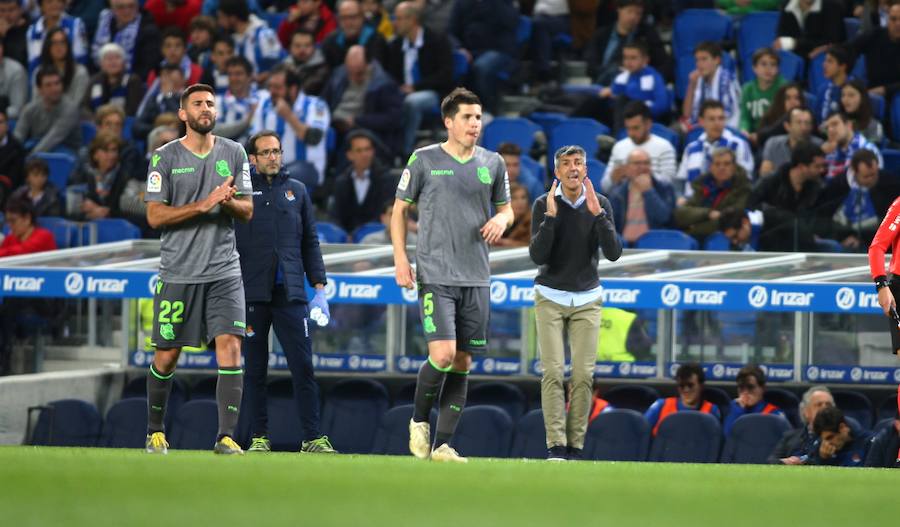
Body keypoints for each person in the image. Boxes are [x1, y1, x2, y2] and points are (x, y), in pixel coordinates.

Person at [393, 87, 513, 463]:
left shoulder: (492, 163)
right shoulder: (424, 160)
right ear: (449, 122)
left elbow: (507, 210)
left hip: (476, 275)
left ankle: (443, 445)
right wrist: (400, 258)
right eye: (467, 117)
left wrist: (500, 218)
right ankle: (417, 420)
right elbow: (398, 211)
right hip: (436, 273)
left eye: (478, 117)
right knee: (442, 354)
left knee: (462, 361)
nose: (475, 124)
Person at [142, 83, 254, 456]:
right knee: (167, 355)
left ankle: (226, 436)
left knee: (231, 348)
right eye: (197, 104)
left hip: (224, 270)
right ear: (183, 114)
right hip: (178, 272)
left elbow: (247, 209)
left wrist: (226, 202)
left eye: (210, 103)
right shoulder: (164, 158)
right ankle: (155, 431)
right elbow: (155, 215)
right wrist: (203, 204)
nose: (205, 109)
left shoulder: (234, 152)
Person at [234, 130, 335, 454]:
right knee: (254, 370)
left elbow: (310, 242)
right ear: (253, 158)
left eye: (276, 151)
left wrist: (319, 288)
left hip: (291, 293)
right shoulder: (239, 194)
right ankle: (259, 436)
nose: (273, 157)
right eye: (265, 152)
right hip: (252, 293)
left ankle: (313, 437)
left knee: (303, 366)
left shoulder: (298, 191)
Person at [529, 144, 621, 460]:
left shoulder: (601, 203)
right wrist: (550, 220)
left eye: (578, 163)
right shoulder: (543, 203)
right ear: (557, 172)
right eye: (566, 164)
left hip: (587, 298)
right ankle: (556, 446)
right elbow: (537, 256)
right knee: (553, 372)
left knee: (583, 375)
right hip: (550, 296)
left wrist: (599, 216)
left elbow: (614, 252)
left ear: (585, 170)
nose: (572, 168)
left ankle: (575, 447)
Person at [386, 1, 454, 155]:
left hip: (434, 92)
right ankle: (388, 150)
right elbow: (391, 75)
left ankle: (406, 150)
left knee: (412, 101)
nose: (395, 23)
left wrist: (415, 87)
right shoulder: (395, 46)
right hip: (402, 91)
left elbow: (445, 75)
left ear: (413, 20)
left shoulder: (436, 40)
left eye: (399, 19)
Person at [0, 198, 57, 375]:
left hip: (44, 299)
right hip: (16, 298)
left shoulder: (43, 236)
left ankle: (4, 364)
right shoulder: (11, 238)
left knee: (7, 308)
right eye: (7, 222)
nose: (10, 226)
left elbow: (21, 253)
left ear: (27, 218)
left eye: (13, 221)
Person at [252, 64, 330, 186]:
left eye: (277, 88)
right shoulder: (265, 106)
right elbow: (254, 141)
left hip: (306, 167)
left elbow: (314, 138)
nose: (272, 92)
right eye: (270, 87)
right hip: (271, 167)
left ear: (293, 89)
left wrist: (288, 115)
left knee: (279, 178)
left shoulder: (315, 105)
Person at [321, 44, 403, 160]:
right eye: (350, 72)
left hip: (364, 129)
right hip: (333, 123)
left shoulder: (384, 84)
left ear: (369, 65)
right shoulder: (338, 75)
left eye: (358, 73)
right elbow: (322, 102)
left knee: (354, 140)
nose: (353, 77)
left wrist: (358, 121)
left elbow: (393, 118)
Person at [818, 149, 900, 250]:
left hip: (879, 242)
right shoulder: (838, 186)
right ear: (854, 172)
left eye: (874, 174)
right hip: (843, 241)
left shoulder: (891, 184)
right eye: (866, 177)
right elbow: (825, 219)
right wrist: (844, 238)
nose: (871, 179)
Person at [448, 0, 519, 114]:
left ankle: (487, 108)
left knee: (481, 67)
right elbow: (451, 31)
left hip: (498, 50)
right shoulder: (461, 3)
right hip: (468, 50)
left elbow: (511, 22)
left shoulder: (504, 3)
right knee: (451, 63)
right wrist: (459, 48)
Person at [676, 100, 753, 198]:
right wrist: (679, 198)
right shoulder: (691, 148)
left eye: (721, 118)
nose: (717, 123)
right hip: (692, 204)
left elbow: (746, 180)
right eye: (712, 119)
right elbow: (680, 182)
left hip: (726, 202)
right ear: (701, 122)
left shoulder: (738, 145)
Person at [583, 0, 670, 86]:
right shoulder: (601, 34)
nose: (633, 17)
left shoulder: (648, 36)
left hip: (634, 87)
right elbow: (591, 65)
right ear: (619, 10)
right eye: (629, 11)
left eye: (638, 13)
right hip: (602, 84)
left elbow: (663, 66)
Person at [674, 148, 751, 239]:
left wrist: (693, 228)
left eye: (727, 164)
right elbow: (680, 214)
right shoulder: (702, 185)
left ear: (734, 167)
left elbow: (729, 221)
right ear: (711, 167)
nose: (721, 168)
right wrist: (708, 213)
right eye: (717, 164)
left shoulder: (743, 188)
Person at [602, 101, 677, 193]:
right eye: (628, 128)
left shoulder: (664, 147)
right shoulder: (619, 147)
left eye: (636, 128)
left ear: (648, 124)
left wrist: (645, 173)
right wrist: (613, 178)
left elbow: (669, 186)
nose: (631, 133)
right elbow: (605, 187)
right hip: (622, 201)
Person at [330, 130, 395, 233]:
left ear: (373, 151)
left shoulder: (386, 179)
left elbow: (386, 213)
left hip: (378, 238)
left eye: (367, 149)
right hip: (347, 240)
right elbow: (336, 215)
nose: (364, 154)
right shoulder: (341, 182)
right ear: (350, 155)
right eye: (359, 150)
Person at [608, 148, 675, 244]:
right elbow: (611, 223)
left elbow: (663, 218)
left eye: (646, 163)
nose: (642, 167)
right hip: (624, 245)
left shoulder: (663, 188)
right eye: (637, 163)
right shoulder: (617, 192)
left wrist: (648, 191)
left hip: (655, 243)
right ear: (627, 168)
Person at [14, 67, 81, 154]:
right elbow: (18, 136)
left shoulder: (70, 109)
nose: (54, 89)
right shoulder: (30, 109)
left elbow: (53, 139)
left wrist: (30, 159)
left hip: (66, 154)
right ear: (39, 89)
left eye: (57, 83)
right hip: (37, 149)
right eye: (48, 85)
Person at [644, 363, 721, 436]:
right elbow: (642, 431)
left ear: (701, 386)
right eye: (682, 385)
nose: (686, 389)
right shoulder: (661, 406)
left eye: (690, 385)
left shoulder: (711, 410)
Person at [90, 0, 161, 80]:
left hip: (133, 82)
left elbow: (146, 68)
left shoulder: (148, 31)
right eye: (121, 7)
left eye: (131, 6)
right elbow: (94, 58)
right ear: (113, 9)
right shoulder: (105, 22)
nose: (127, 11)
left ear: (137, 6)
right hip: (103, 80)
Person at [217, 0, 284, 81]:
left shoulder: (264, 35)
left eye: (221, 17)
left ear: (233, 18)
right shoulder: (234, 38)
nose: (219, 22)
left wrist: (258, 78)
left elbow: (280, 66)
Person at [767, 385, 835, 465]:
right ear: (806, 411)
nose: (825, 409)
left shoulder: (838, 437)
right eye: (819, 405)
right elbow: (771, 461)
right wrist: (785, 462)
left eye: (828, 405)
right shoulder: (790, 437)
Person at [69, 132, 129, 221]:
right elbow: (71, 212)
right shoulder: (82, 175)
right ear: (95, 155)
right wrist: (89, 215)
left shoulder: (124, 177)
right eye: (106, 151)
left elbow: (126, 212)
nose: (112, 155)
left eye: (114, 150)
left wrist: (104, 212)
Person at [682, 41, 741, 130]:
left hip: (728, 128)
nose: (699, 64)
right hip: (705, 128)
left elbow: (725, 116)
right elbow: (687, 114)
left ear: (717, 60)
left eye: (704, 59)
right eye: (697, 60)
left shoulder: (726, 80)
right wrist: (692, 85)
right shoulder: (699, 79)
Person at [850, 1, 900, 99]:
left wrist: (885, 89)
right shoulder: (876, 35)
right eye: (893, 19)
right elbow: (849, 48)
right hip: (871, 91)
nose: (898, 24)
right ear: (887, 20)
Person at [739, 48, 787, 145]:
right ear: (754, 68)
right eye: (764, 64)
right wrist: (744, 131)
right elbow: (745, 117)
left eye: (773, 64)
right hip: (753, 137)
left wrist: (761, 136)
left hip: (776, 137)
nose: (768, 68)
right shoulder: (747, 89)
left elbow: (783, 121)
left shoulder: (784, 88)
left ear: (778, 69)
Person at [321, 0, 388, 69]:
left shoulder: (376, 40)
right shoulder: (330, 42)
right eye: (344, 18)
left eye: (353, 17)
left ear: (362, 17)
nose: (348, 22)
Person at [30, 26, 89, 106]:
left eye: (62, 42)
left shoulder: (80, 72)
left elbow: (77, 104)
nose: (59, 47)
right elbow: (36, 102)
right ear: (48, 46)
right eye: (54, 43)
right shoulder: (39, 72)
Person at [25, 0, 88, 73]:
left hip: (71, 74)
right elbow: (33, 64)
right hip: (43, 78)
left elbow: (80, 58)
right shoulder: (32, 31)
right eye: (50, 1)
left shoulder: (76, 25)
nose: (55, 4)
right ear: (41, 6)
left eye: (59, 1)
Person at [722, 364, 786, 437]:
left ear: (762, 388)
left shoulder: (774, 414)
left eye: (750, 387)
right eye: (741, 387)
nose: (745, 392)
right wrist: (736, 412)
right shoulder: (733, 408)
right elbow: (727, 438)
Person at [759, 107, 823, 178]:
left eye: (807, 123)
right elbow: (765, 174)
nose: (803, 128)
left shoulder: (818, 145)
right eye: (799, 122)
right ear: (787, 126)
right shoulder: (773, 143)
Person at [84, 42, 145, 116]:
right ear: (101, 64)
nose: (113, 62)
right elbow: (85, 108)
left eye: (117, 58)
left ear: (123, 62)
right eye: (108, 59)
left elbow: (132, 111)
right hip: (97, 124)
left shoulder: (132, 80)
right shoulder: (94, 81)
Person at [821, 111, 882, 181]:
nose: (830, 130)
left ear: (848, 125)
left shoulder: (868, 150)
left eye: (835, 124)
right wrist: (820, 153)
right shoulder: (827, 151)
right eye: (827, 128)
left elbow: (872, 183)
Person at [774, 0, 845, 59]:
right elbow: (781, 38)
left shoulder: (832, 7)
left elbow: (831, 41)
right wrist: (793, 44)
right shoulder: (787, 6)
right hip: (796, 58)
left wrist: (795, 43)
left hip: (823, 58)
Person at [213, 55, 259, 144]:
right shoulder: (218, 101)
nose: (233, 78)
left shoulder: (261, 98)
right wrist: (246, 122)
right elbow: (215, 131)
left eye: (238, 74)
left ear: (250, 76)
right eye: (230, 74)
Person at [282, 29, 330, 96]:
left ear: (314, 47)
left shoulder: (322, 68)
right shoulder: (284, 65)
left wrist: (293, 74)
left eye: (307, 45)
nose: (302, 50)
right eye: (297, 45)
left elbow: (304, 91)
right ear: (290, 48)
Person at [814, 44, 851, 124]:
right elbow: (816, 119)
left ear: (842, 66)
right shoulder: (823, 89)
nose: (824, 65)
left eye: (830, 61)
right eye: (825, 61)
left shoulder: (853, 90)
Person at [839, 79, 883, 144]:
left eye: (851, 95)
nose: (845, 99)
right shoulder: (837, 122)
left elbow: (872, 149)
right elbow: (822, 131)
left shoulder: (874, 125)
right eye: (843, 95)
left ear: (862, 98)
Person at [0, 108, 25, 207]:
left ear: (7, 126)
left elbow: (15, 180)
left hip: (7, 196)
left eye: (0, 122)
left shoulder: (16, 149)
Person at [495, 182, 531, 247]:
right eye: (514, 198)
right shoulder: (499, 221)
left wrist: (507, 243)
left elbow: (534, 247)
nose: (520, 202)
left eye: (523, 197)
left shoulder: (533, 221)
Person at [0, 39, 26, 119]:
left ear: (2, 48)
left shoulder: (16, 70)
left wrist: (3, 114)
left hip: (7, 120)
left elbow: (17, 109)